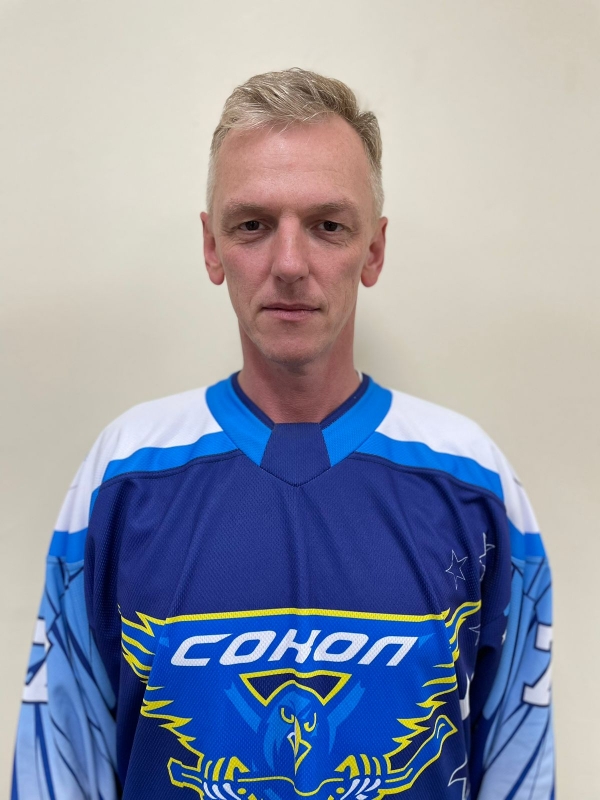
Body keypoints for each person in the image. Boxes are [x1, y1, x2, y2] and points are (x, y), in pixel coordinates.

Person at [11, 68, 554, 800]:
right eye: (253, 225)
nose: (290, 264)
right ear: (211, 247)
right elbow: (59, 766)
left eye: (328, 226)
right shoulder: (124, 476)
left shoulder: (471, 483)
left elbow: (520, 764)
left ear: (374, 250)